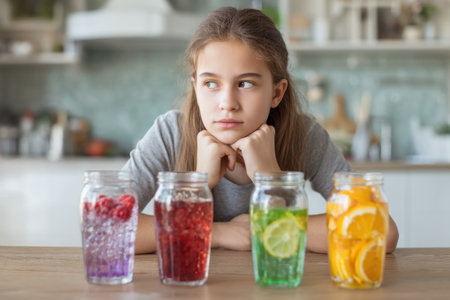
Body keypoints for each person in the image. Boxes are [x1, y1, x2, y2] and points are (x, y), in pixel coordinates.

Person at [123, 7, 399, 254]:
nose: (227, 104)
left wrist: (273, 186)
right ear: (195, 88)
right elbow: (110, 223)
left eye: (245, 84)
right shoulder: (171, 132)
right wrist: (211, 224)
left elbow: (382, 231)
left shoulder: (304, 135)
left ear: (276, 93)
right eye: (210, 84)